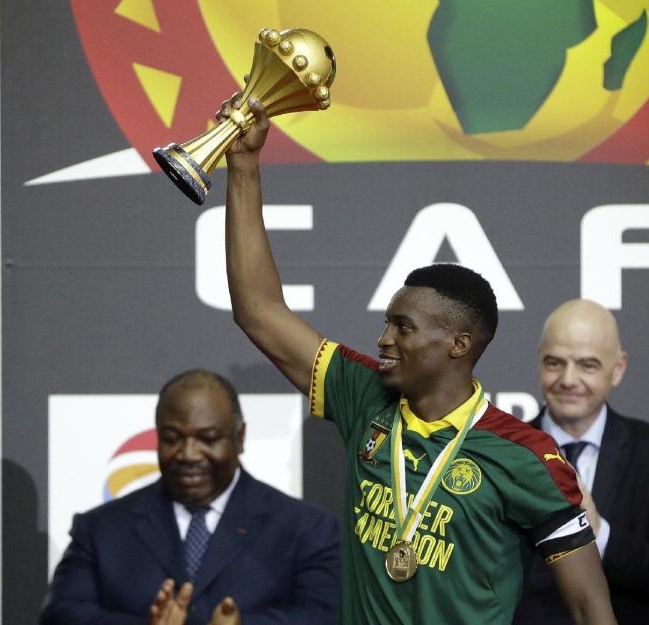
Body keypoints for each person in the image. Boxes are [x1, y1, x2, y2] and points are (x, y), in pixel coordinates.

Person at [221, 96, 617, 625]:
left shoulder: (528, 457)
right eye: (387, 323)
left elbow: (591, 605)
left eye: (402, 327)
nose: (383, 339)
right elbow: (259, 310)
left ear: (458, 345)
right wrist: (244, 167)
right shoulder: (365, 395)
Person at [40, 369, 340, 625]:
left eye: (208, 439)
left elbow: (328, 615)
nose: (188, 454)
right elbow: (60, 616)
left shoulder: (306, 529)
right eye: (172, 438)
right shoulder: (100, 530)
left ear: (240, 439)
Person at [513, 299, 649, 625]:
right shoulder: (502, 451)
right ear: (539, 360)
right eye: (555, 363)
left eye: (587, 365)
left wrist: (599, 533)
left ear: (618, 368)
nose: (568, 380)